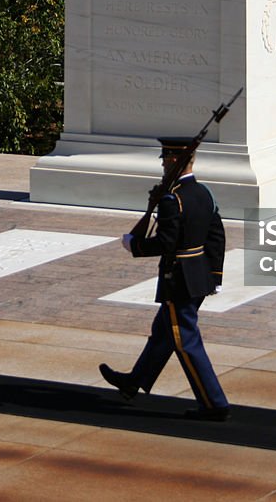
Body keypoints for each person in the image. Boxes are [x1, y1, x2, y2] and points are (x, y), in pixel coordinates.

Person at [99, 137, 231, 421]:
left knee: (184, 339)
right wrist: (214, 276)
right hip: (198, 277)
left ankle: (214, 402)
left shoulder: (174, 199)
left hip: (178, 280)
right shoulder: (204, 193)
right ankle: (134, 381)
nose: (162, 162)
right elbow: (217, 237)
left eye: (165, 158)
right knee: (163, 331)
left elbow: (166, 242)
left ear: (174, 161)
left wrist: (135, 246)